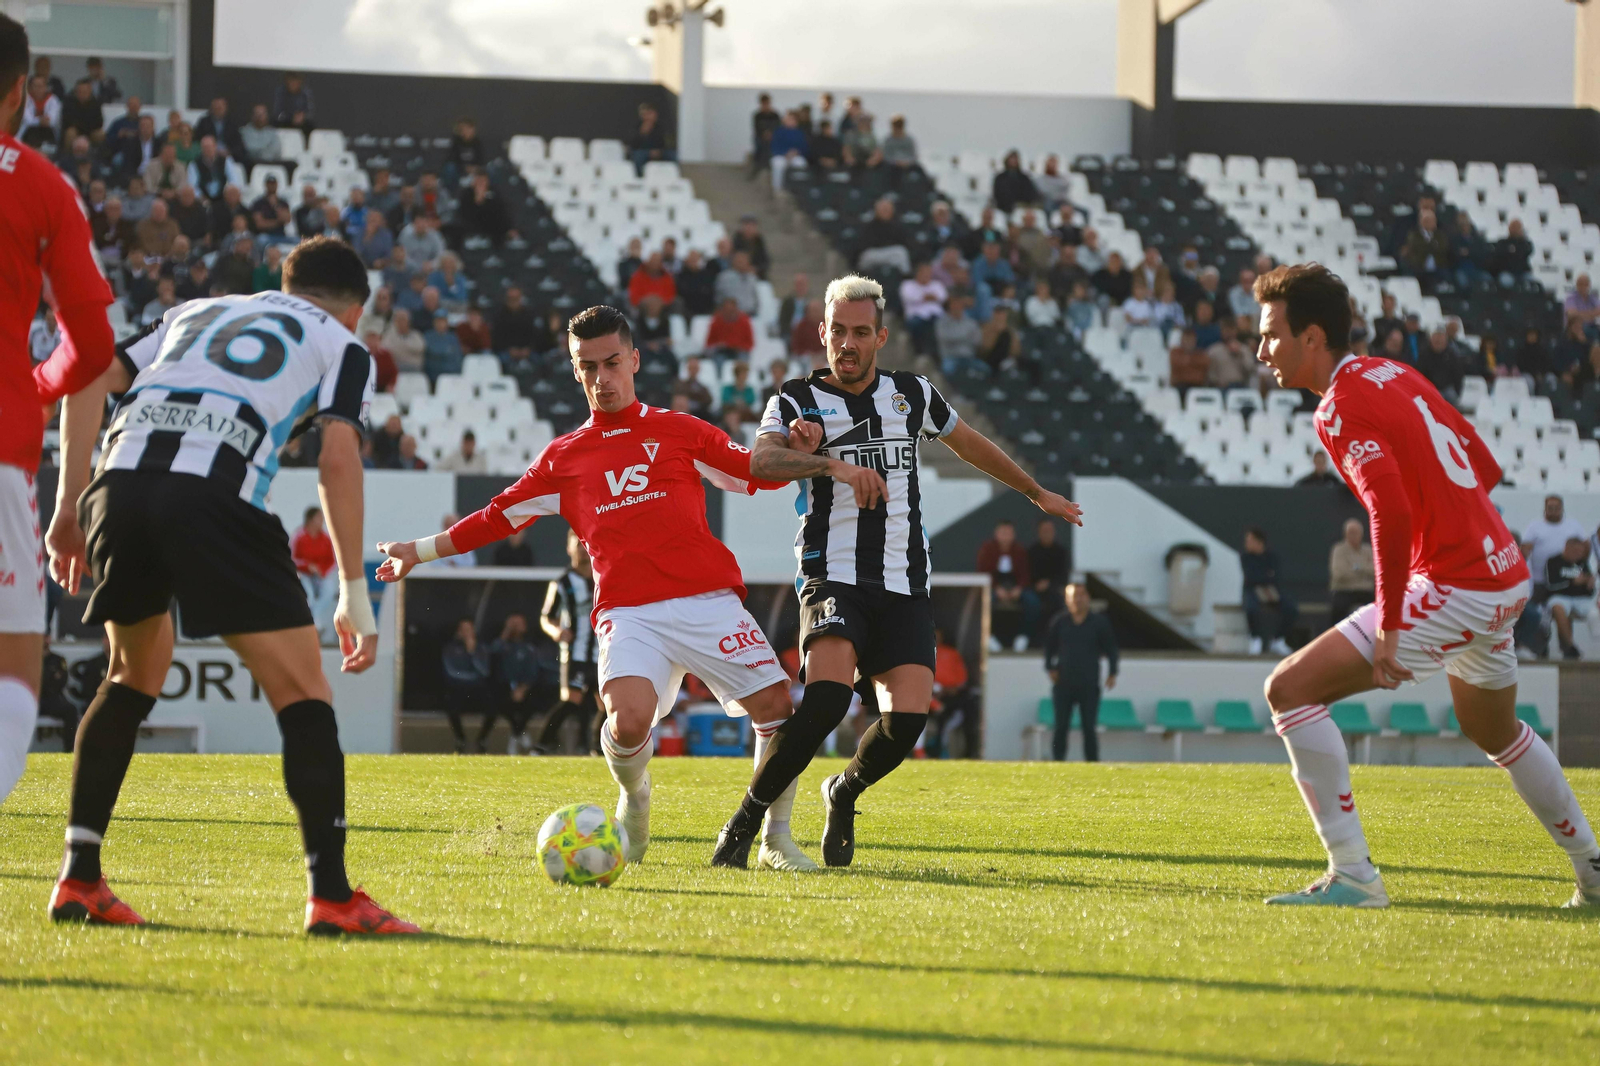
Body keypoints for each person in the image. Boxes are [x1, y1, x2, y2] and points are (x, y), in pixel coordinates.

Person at [44, 236, 416, 932]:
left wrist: (67, 507)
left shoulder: (195, 311)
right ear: (355, 311)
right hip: (213, 496)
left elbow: (89, 373)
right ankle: (333, 897)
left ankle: (78, 878)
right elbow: (339, 459)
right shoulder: (343, 346)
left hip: (117, 488)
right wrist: (350, 587)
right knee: (305, 692)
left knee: (131, 675)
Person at [375, 304, 827, 872]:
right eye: (587, 367)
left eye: (611, 363)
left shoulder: (681, 430)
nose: (601, 378)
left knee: (777, 706)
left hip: (708, 602)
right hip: (630, 613)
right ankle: (635, 803)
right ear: (574, 371)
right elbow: (497, 516)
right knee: (627, 722)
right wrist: (419, 551)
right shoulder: (563, 458)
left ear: (634, 360)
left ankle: (774, 840)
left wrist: (799, 451)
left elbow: (751, 471)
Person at [1252, 262, 1600, 910]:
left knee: (1290, 689)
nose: (1260, 349)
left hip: (1458, 584)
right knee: (1497, 732)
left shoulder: (1338, 407)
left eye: (1271, 333)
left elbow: (1389, 511)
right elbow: (1483, 465)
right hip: (1502, 576)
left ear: (1312, 337)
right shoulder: (1397, 372)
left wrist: (1392, 623)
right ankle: (1593, 867)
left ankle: (1353, 874)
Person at [712, 274, 1082, 868]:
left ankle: (844, 792)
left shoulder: (912, 394)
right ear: (823, 334)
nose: (848, 343)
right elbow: (761, 461)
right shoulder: (796, 399)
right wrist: (827, 464)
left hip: (903, 581)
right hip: (831, 573)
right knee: (828, 699)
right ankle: (745, 823)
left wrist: (1035, 492)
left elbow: (969, 443)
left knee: (907, 719)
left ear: (881, 336)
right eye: (839, 332)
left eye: (861, 332)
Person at [1, 14, 118, 809]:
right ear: (20, 91)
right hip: (3, 445)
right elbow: (94, 346)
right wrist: (36, 383)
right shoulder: (40, 183)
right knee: (13, 664)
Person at [536, 531, 604, 755]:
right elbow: (546, 617)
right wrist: (557, 631)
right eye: (578, 545)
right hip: (575, 653)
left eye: (586, 545)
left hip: (603, 653)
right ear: (569, 548)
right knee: (572, 701)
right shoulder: (562, 583)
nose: (583, 550)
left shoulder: (603, 577)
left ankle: (597, 747)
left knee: (607, 704)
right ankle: (541, 746)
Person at [1043, 582, 1119, 762]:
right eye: (1073, 595)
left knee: (1089, 727)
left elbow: (1111, 649)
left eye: (1082, 595)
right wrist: (1050, 667)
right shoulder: (1060, 622)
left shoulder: (1099, 623)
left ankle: (1092, 763)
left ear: (1088, 598)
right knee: (1061, 726)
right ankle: (1057, 761)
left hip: (1089, 683)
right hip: (1064, 683)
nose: (1078, 599)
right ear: (1067, 600)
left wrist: (1112, 672)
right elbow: (1049, 647)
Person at [487, 613, 547, 754]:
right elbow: (494, 651)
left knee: (533, 701)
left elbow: (533, 671)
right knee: (497, 702)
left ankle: (516, 734)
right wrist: (507, 631)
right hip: (505, 686)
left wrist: (523, 688)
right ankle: (519, 731)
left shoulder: (529, 646)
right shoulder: (502, 644)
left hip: (524, 687)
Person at [978, 520, 1036, 652]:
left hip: (1015, 587)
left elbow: (1025, 574)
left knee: (1032, 602)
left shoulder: (1019, 550)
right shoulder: (987, 549)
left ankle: (1023, 636)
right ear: (996, 534)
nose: (1005, 537)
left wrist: (1019, 589)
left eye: (1008, 533)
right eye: (1002, 533)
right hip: (994, 587)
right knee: (986, 601)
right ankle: (989, 636)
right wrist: (996, 588)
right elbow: (983, 571)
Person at [441, 618, 495, 753]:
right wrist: (473, 676)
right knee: (451, 706)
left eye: (468, 629)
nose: (466, 633)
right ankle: (460, 738)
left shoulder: (481, 648)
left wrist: (472, 653)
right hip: (458, 687)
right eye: (463, 630)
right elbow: (452, 671)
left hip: (477, 688)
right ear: (458, 632)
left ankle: (482, 738)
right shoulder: (450, 648)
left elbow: (484, 670)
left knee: (493, 708)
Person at [1241, 527, 1296, 656]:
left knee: (1290, 608)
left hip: (1271, 590)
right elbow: (1251, 577)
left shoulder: (1272, 557)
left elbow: (1275, 577)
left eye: (1250, 540)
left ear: (1259, 542)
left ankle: (1278, 640)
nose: (1246, 544)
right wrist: (1266, 576)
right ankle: (1255, 639)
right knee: (1251, 608)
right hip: (1252, 591)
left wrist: (1263, 578)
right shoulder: (1245, 557)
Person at [290, 506, 339, 643]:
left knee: (328, 592)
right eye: (319, 518)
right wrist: (307, 566)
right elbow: (292, 559)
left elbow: (331, 560)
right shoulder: (299, 536)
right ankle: (314, 625)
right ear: (311, 519)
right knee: (308, 595)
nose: (322, 521)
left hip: (320, 575)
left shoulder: (325, 538)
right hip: (303, 574)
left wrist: (321, 570)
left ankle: (312, 622)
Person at [1543, 537, 1596, 661]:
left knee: (1595, 612)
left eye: (1580, 552)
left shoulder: (1582, 563)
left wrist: (1589, 586)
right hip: (1560, 596)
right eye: (1575, 551)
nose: (1577, 554)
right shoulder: (1553, 561)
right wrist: (1572, 583)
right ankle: (1570, 646)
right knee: (1558, 608)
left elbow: (1589, 592)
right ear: (1566, 548)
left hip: (1580, 599)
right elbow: (1550, 586)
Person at [1328, 517, 1375, 622]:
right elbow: (1339, 574)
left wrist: (1355, 567)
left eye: (1356, 532)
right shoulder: (1338, 550)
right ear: (1345, 534)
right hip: (1344, 590)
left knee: (1377, 609)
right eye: (1351, 532)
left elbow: (1375, 571)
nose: (1353, 536)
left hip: (1365, 591)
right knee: (1338, 609)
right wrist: (1363, 571)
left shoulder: (1368, 550)